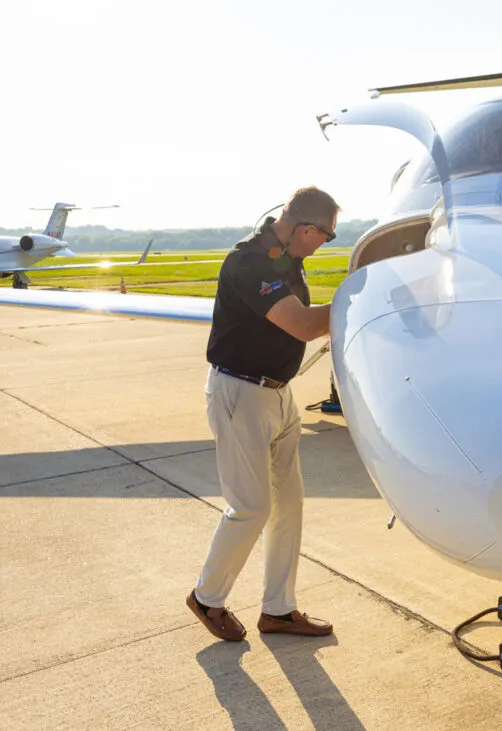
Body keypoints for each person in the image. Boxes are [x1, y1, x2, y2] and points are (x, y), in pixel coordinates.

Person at [187, 186, 339, 642]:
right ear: (305, 228)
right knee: (251, 507)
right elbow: (306, 325)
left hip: (279, 395)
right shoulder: (249, 263)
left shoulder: (286, 260)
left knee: (288, 504)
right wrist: (360, 299)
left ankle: (279, 610)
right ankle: (207, 597)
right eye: (326, 236)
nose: (323, 244)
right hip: (240, 394)